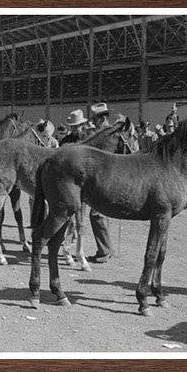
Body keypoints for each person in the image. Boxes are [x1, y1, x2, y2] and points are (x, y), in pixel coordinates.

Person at [61, 106, 113, 264]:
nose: (76, 129)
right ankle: (69, 249)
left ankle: (104, 250)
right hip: (73, 184)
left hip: (93, 182)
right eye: (73, 127)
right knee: (73, 217)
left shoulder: (92, 138)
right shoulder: (67, 141)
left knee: (95, 215)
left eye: (78, 126)